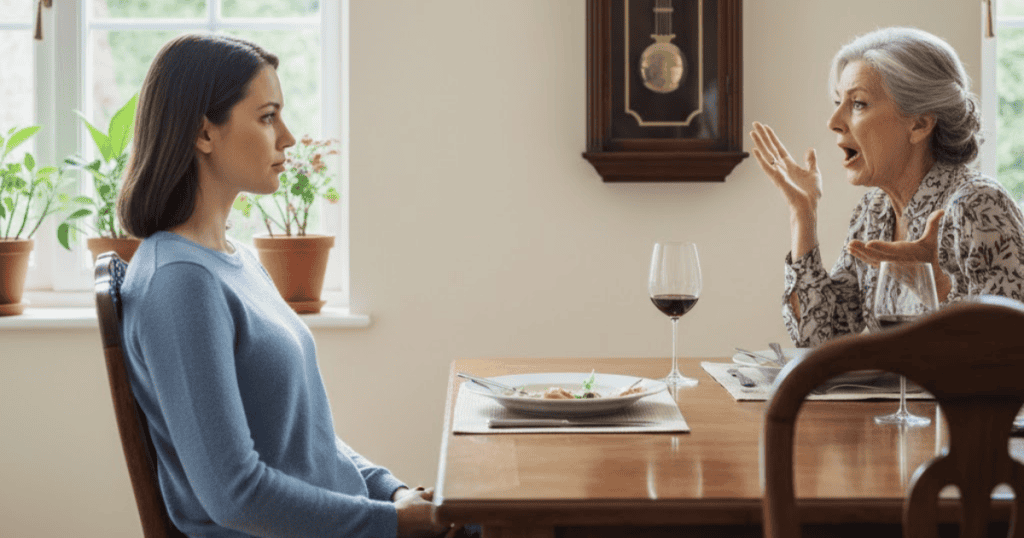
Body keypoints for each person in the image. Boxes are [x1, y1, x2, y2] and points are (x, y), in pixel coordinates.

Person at [117, 33, 456, 537]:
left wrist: (391, 491)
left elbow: (304, 442)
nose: (288, 137)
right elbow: (235, 495)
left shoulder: (235, 262)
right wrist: (391, 524)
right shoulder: (179, 283)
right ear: (202, 133)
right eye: (268, 116)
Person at [750, 27, 1024, 348]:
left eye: (859, 103)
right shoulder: (874, 210)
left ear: (920, 123)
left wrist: (933, 283)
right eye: (839, 101)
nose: (834, 120)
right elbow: (820, 338)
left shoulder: (978, 205)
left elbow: (1008, 350)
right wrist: (803, 214)